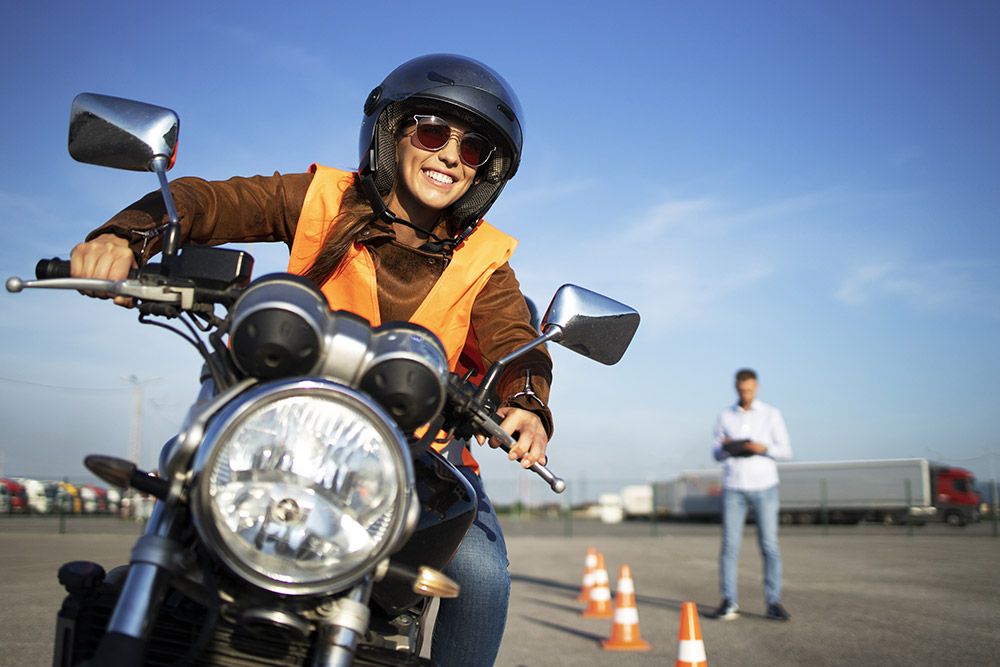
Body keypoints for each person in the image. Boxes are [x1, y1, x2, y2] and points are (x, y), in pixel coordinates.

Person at [69, 53, 552, 667]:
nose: (450, 154)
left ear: (487, 171)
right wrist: (126, 235)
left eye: (475, 148)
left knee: (482, 576)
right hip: (282, 433)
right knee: (184, 491)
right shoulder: (323, 199)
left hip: (412, 464)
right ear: (394, 132)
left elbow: (514, 339)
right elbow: (206, 201)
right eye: (432, 131)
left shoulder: (488, 261)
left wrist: (528, 402)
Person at [710, 368, 792, 622]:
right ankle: (728, 601)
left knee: (769, 545)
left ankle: (773, 601)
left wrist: (762, 447)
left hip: (764, 486)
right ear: (736, 388)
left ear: (756, 387)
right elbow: (716, 453)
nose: (744, 393)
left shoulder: (771, 414)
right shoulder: (725, 415)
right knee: (729, 547)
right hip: (734, 486)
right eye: (740, 389)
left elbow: (786, 450)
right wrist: (729, 447)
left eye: (748, 389)